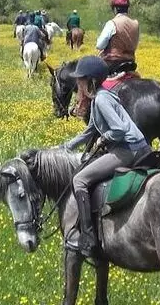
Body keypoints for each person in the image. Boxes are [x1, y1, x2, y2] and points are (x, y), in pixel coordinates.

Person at [58, 56, 151, 259]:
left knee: (79, 180)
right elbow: (89, 131)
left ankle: (88, 237)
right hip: (135, 146)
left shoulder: (101, 100)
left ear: (89, 81)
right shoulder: (99, 98)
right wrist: (64, 147)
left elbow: (119, 129)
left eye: (81, 79)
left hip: (129, 149)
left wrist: (104, 138)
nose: (78, 84)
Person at [96, 0, 139, 75]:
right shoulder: (135, 24)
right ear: (127, 8)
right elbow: (135, 44)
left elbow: (100, 45)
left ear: (115, 9)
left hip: (112, 63)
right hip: (131, 63)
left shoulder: (112, 23)